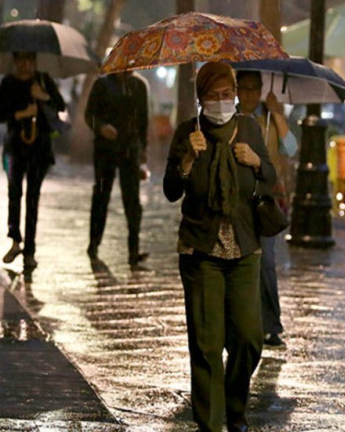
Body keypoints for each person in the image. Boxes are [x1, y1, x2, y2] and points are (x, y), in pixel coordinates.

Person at [164, 61, 275, 432]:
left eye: (228, 94)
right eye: (214, 95)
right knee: (207, 345)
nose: (222, 101)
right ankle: (210, 425)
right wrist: (187, 160)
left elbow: (271, 176)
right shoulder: (188, 132)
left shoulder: (250, 128)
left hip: (244, 248)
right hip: (201, 251)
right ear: (201, 98)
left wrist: (256, 161)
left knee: (249, 338)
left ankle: (235, 406)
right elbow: (171, 190)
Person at [235, 70, 297, 349]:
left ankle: (270, 325)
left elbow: (291, 148)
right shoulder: (231, 119)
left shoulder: (269, 118)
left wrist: (278, 115)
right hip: (237, 198)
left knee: (266, 263)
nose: (248, 94)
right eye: (243, 88)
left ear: (261, 89)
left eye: (253, 89)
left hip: (265, 200)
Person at [0, 51, 66, 272]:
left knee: (33, 198)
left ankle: (30, 251)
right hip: (15, 147)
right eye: (21, 60)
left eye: (30, 60)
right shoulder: (8, 83)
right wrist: (22, 113)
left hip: (40, 149)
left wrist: (43, 96)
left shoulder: (43, 80)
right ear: (15, 61)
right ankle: (15, 240)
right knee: (14, 193)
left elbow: (61, 105)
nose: (26, 64)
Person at [84, 70, 150, 266]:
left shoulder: (139, 86)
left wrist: (143, 149)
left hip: (130, 149)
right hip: (105, 149)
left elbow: (143, 120)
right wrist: (102, 127)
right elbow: (89, 115)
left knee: (132, 200)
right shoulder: (102, 84)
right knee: (101, 196)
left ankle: (133, 251)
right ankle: (94, 244)